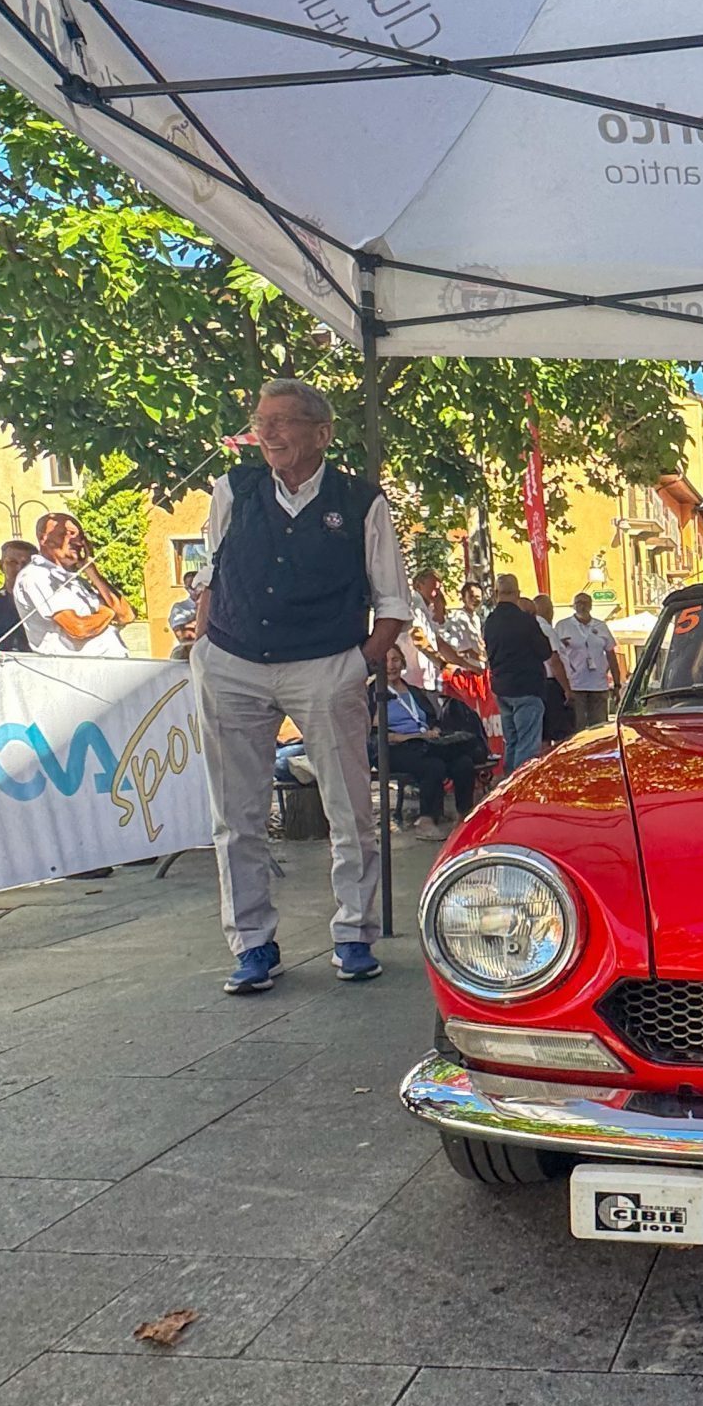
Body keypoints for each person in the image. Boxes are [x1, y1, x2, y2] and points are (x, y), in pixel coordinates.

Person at [192, 377, 411, 992]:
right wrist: (204, 647)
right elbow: (211, 572)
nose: (267, 432)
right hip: (232, 660)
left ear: (322, 433)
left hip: (324, 664)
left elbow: (393, 599)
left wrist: (357, 663)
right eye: (261, 421)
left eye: (283, 421)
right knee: (235, 814)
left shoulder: (361, 502)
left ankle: (354, 933)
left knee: (349, 808)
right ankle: (252, 944)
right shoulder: (233, 489)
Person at [13, 514, 135, 656]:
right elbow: (78, 628)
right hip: (78, 667)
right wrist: (108, 613)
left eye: (80, 536)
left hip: (111, 663)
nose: (78, 542)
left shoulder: (76, 581)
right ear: (43, 539)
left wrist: (92, 572)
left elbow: (126, 615)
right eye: (68, 533)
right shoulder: (36, 575)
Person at [382, 672, 483, 837]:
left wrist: (434, 730)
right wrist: (411, 736)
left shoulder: (413, 691)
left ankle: (464, 814)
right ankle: (426, 820)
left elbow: (432, 719)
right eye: (387, 662)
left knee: (463, 762)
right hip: (395, 747)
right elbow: (374, 732)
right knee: (433, 766)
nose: (391, 666)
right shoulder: (373, 694)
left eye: (395, 660)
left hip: (425, 743)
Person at [484, 575, 560, 769]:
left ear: (496, 594)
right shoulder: (525, 621)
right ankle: (520, 783)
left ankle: (508, 780)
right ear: (517, 594)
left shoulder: (490, 621)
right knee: (527, 744)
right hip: (526, 687)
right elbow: (545, 651)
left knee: (512, 742)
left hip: (501, 688)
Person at [552, 591, 621, 728]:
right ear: (573, 606)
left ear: (591, 606)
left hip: (599, 686)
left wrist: (617, 684)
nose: (582, 606)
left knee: (600, 728)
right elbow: (555, 654)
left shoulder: (601, 626)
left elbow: (611, 655)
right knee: (577, 728)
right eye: (578, 603)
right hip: (575, 685)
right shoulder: (562, 626)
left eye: (585, 603)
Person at [529, 593, 577, 744]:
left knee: (543, 734)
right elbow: (554, 660)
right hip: (552, 686)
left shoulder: (530, 628)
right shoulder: (546, 629)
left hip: (536, 683)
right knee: (561, 734)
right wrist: (567, 689)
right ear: (548, 610)